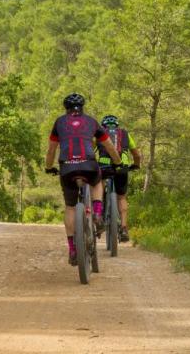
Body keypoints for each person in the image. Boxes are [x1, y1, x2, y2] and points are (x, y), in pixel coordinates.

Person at [45, 93, 122, 265]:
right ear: (83, 107)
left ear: (66, 108)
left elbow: (51, 150)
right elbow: (108, 145)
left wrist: (49, 167)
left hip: (67, 167)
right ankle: (97, 212)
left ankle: (73, 250)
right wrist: (116, 162)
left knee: (70, 207)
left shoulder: (59, 122)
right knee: (96, 181)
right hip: (88, 164)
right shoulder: (92, 122)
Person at [97, 114, 141, 242]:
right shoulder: (125, 134)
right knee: (121, 196)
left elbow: (90, 149)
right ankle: (123, 228)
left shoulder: (99, 134)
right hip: (122, 167)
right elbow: (136, 154)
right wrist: (136, 165)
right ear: (117, 125)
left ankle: (98, 214)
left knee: (99, 185)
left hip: (104, 166)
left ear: (103, 125)